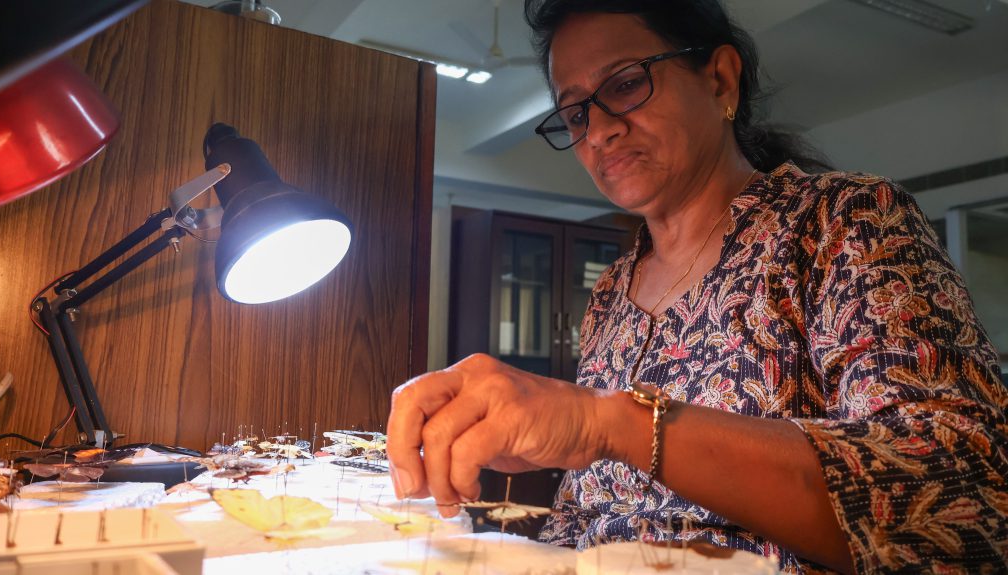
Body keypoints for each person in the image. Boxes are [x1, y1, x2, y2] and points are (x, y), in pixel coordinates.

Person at [387, 1, 1008, 573]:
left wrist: (607, 422)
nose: (598, 130)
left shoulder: (843, 224)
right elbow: (591, 511)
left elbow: (968, 496)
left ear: (720, 80)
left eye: (625, 84)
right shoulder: (611, 293)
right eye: (576, 110)